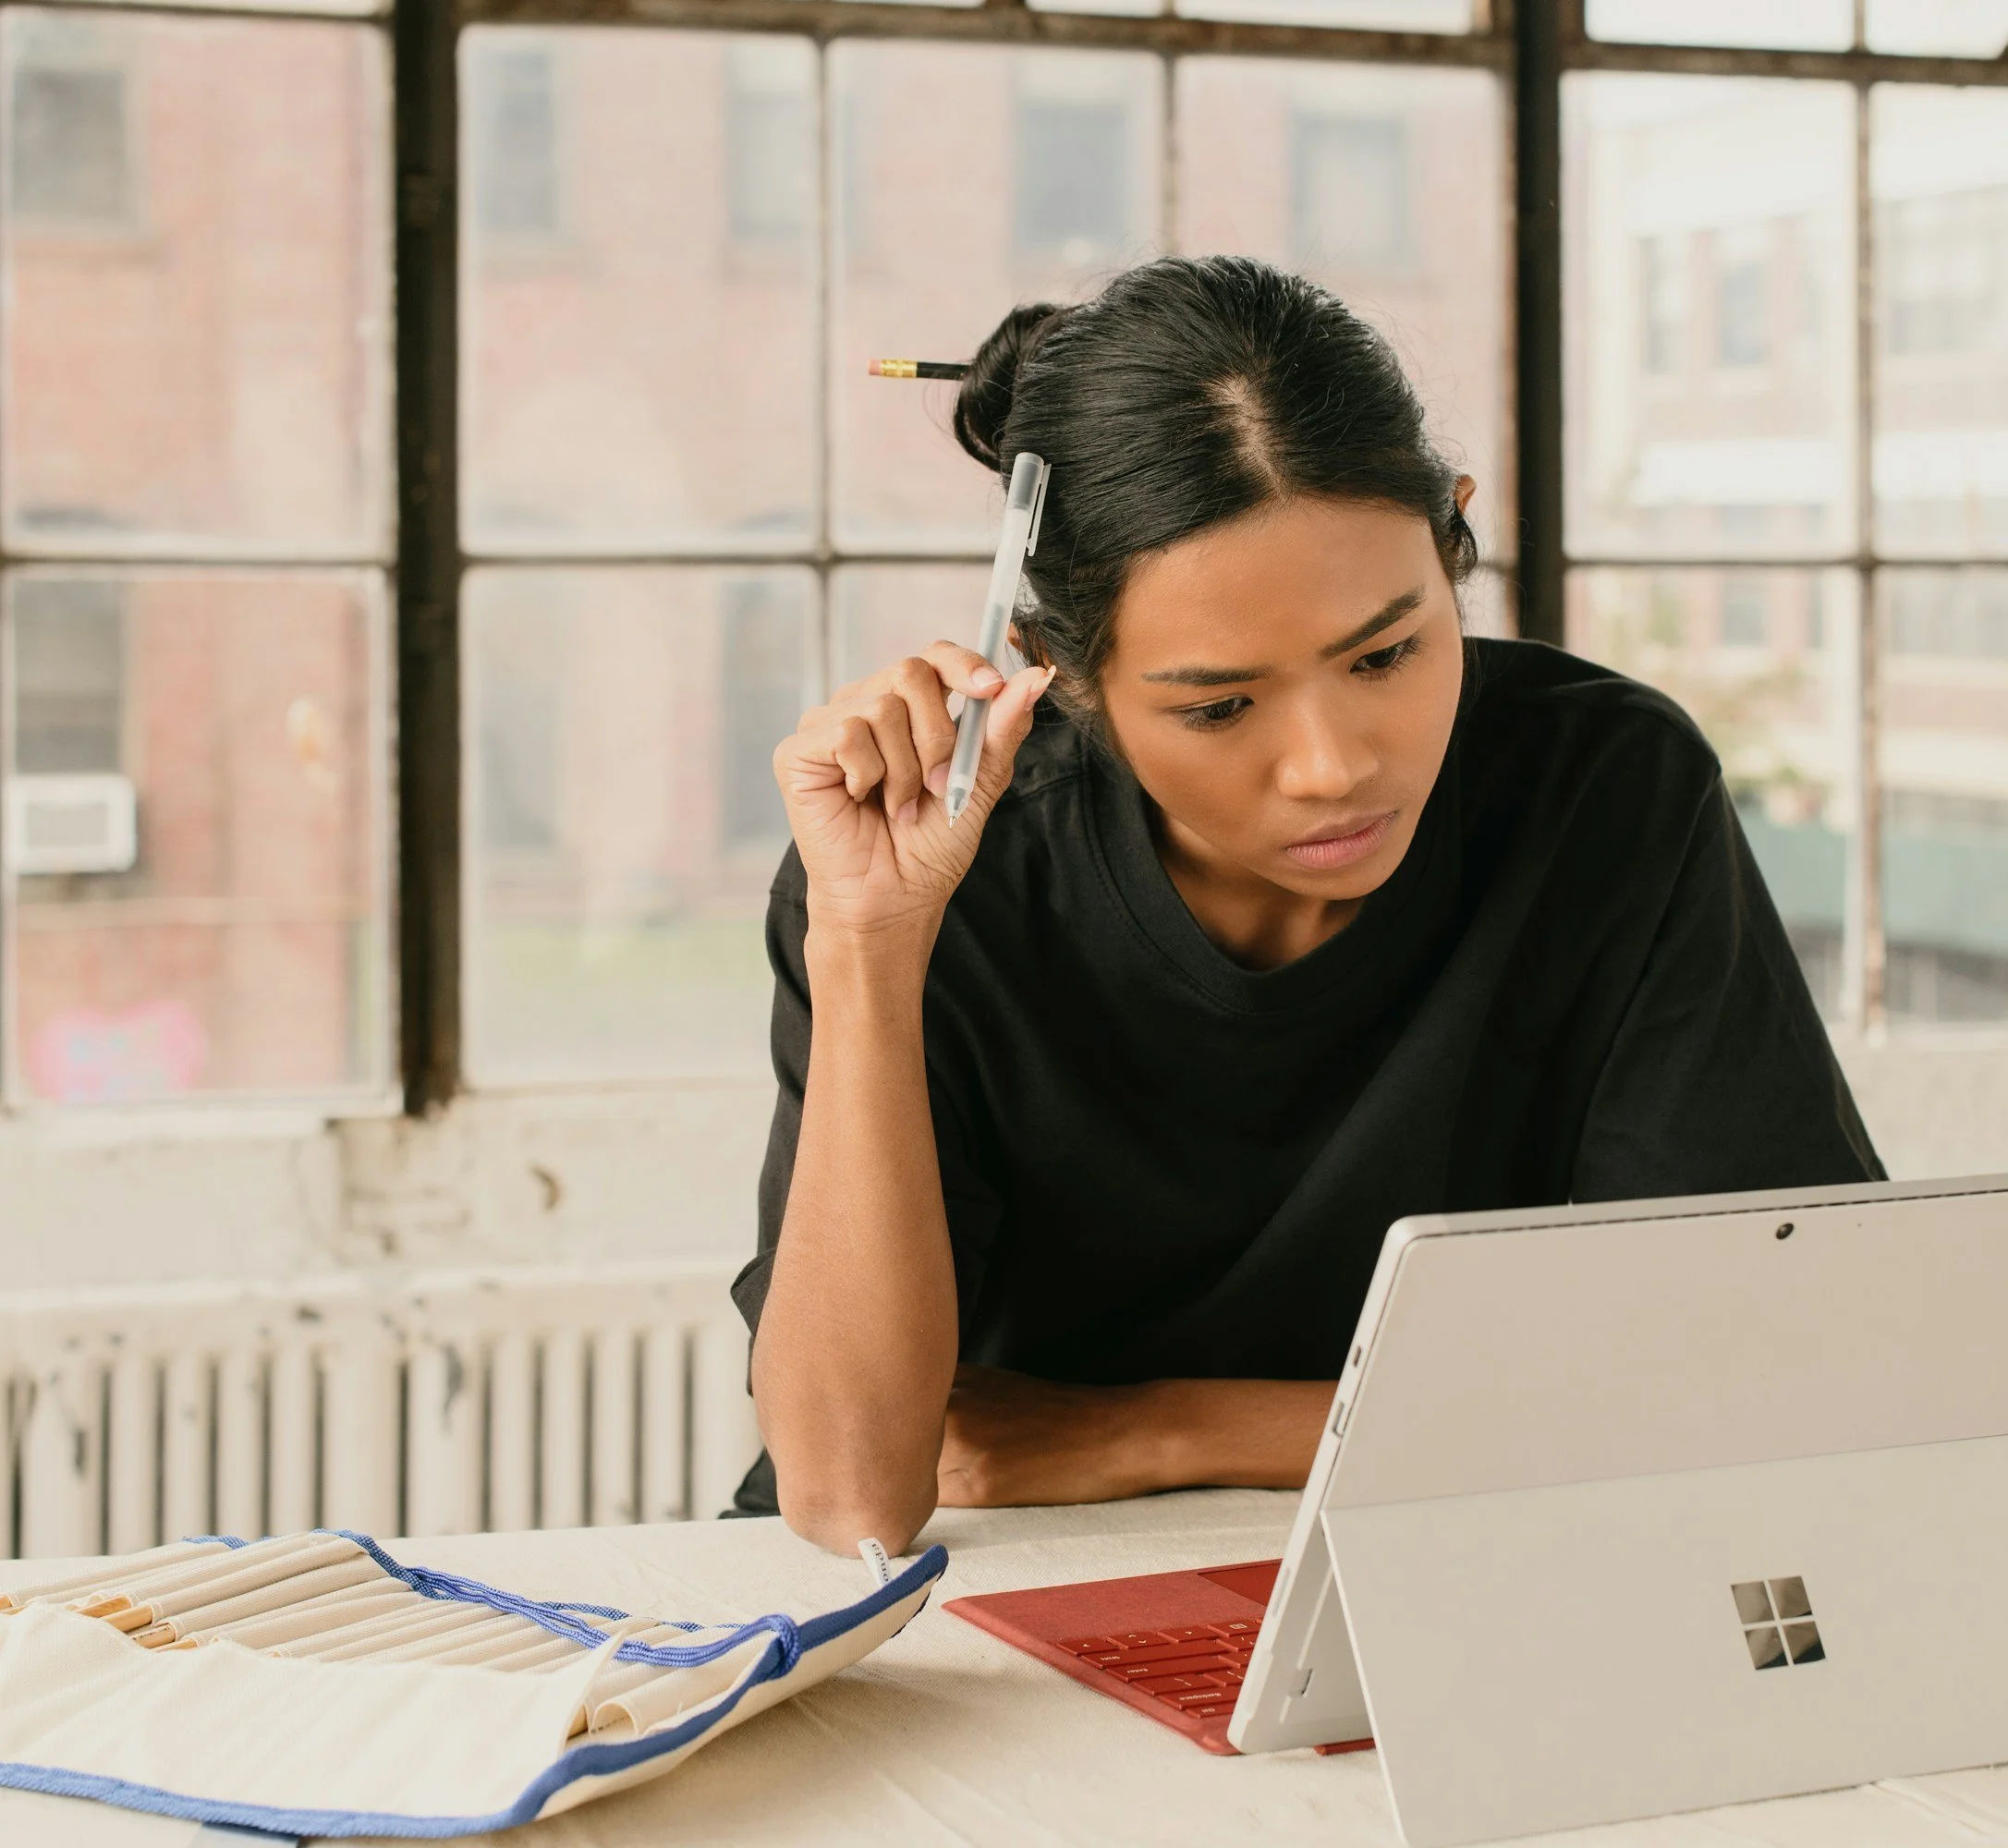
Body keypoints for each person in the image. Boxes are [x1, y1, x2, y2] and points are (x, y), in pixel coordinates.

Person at [731, 256, 1880, 1553]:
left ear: (1454, 537)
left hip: (1437, 1556)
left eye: (1388, 652)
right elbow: (846, 1498)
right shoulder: (937, 866)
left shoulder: (1604, 788)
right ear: (1060, 670)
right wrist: (874, 946)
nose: (1334, 766)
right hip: (1013, 1596)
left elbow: (1780, 1372)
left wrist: (1150, 1433)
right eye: (1220, 705)